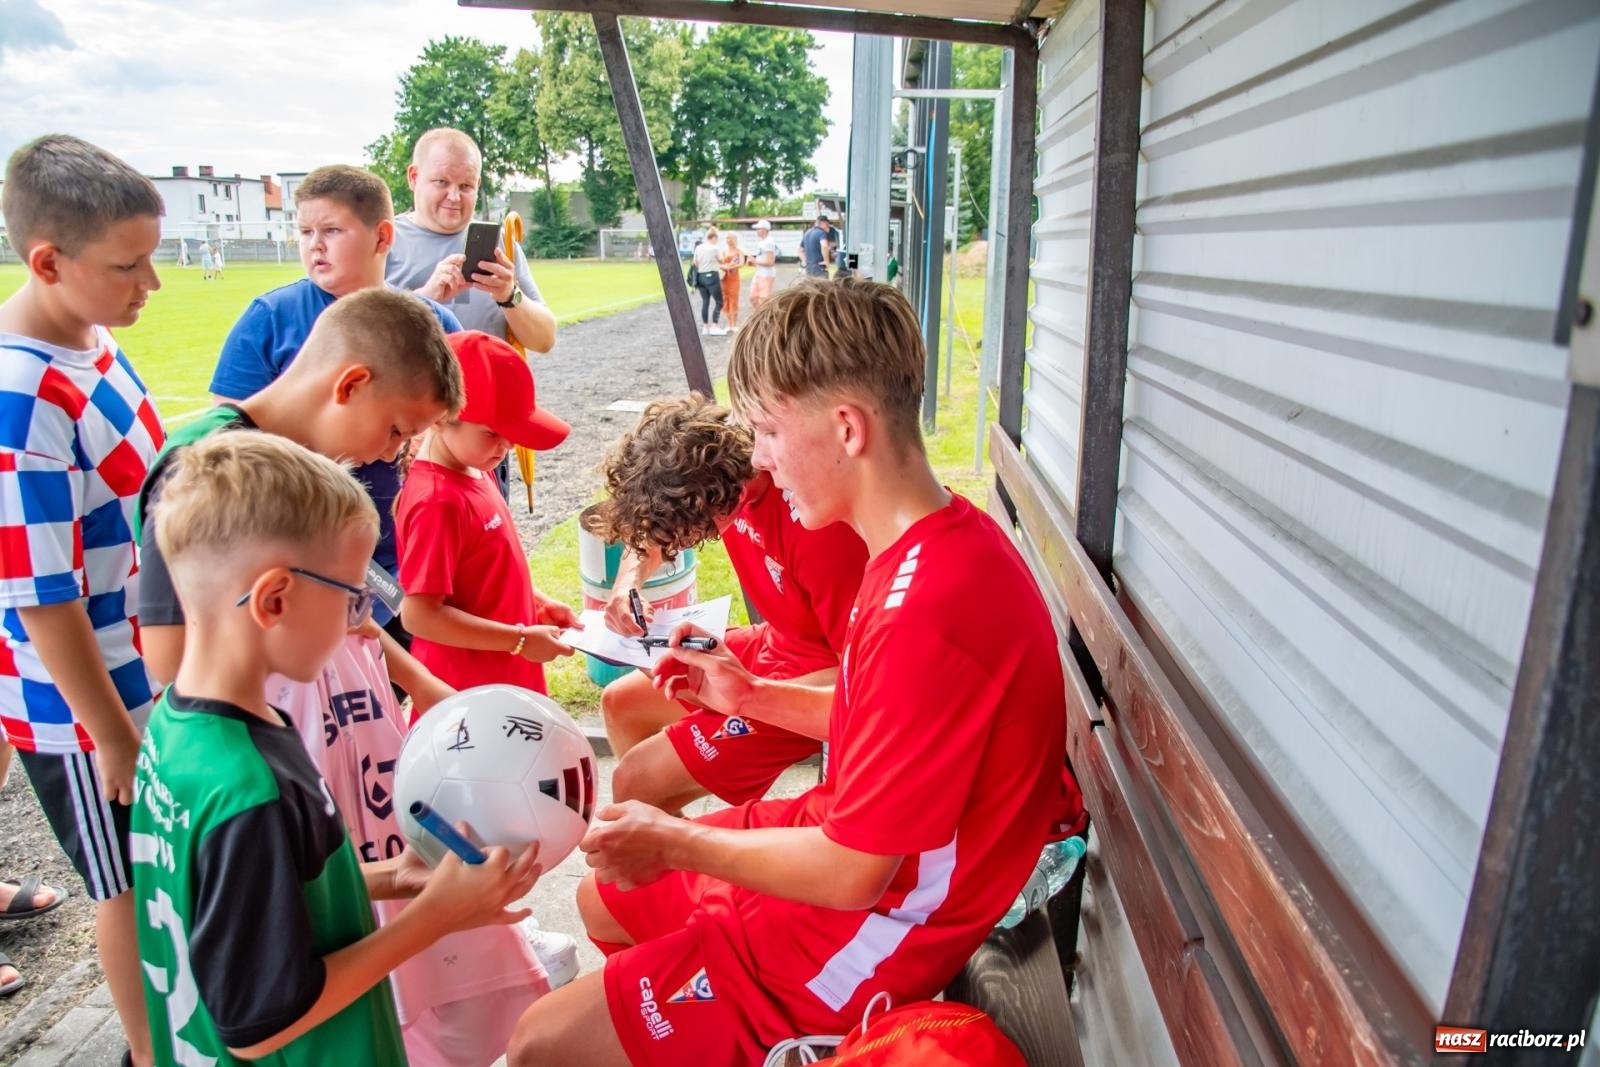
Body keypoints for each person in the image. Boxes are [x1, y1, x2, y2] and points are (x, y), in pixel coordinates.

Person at [506, 278, 1083, 1066]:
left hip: (874, 930)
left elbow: (853, 872)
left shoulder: (926, 609)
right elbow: (893, 722)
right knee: (602, 896)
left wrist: (676, 841)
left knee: (542, 1041)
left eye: (769, 430)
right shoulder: (930, 547)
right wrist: (750, 695)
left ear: (846, 428)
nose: (762, 460)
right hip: (851, 847)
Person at [131, 431, 541, 1066]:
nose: (363, 617)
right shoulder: (247, 788)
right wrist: (434, 916)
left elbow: (253, 902)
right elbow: (260, 1023)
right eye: (353, 596)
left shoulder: (176, 733)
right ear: (274, 599)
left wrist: (385, 880)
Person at [0, 133, 166, 1067]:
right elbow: (39, 596)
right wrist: (111, 734)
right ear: (49, 262)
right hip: (83, 709)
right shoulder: (20, 395)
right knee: (124, 888)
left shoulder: (91, 338)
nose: (151, 283)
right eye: (129, 265)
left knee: (155, 872)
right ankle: (146, 1052)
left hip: (138, 675)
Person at [207, 164, 463, 646]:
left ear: (381, 236)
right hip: (304, 558)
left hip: (408, 556)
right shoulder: (269, 318)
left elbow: (464, 434)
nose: (314, 245)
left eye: (331, 230)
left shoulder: (432, 322)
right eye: (304, 231)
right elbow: (230, 441)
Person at [593, 395, 866, 813]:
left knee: (634, 780)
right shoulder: (723, 481)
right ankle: (670, 845)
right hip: (776, 641)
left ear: (722, 503)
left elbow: (859, 677)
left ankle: (680, 844)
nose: (677, 546)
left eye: (683, 536)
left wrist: (750, 694)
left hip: (813, 678)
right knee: (620, 703)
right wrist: (626, 585)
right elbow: (652, 533)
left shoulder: (816, 528)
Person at [396, 331, 577, 695]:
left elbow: (484, 572)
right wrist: (521, 640)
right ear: (440, 416)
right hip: (469, 692)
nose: (507, 446)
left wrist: (536, 602)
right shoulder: (438, 502)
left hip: (504, 671)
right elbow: (419, 615)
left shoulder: (476, 465)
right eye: (493, 433)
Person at [385, 128, 558, 500]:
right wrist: (426, 298)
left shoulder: (500, 248)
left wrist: (509, 296)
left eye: (466, 186)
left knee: (486, 541)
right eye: (442, 182)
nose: (454, 196)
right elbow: (359, 344)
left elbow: (545, 338)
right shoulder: (386, 244)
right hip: (408, 442)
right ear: (413, 177)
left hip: (483, 439)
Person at [690, 227, 725, 335]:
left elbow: (694, 263)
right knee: (719, 302)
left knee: (705, 301)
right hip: (712, 276)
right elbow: (721, 260)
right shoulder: (715, 248)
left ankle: (705, 327)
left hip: (700, 277)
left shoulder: (698, 247)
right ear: (714, 237)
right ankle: (715, 325)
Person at [748, 219, 779, 309]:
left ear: (764, 230)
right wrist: (752, 262)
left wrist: (755, 261)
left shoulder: (769, 242)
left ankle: (764, 319)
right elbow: (761, 259)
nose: (757, 231)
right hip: (759, 273)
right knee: (753, 297)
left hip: (766, 275)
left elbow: (770, 262)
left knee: (763, 300)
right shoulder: (761, 242)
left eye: (758, 229)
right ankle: (758, 316)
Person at [719, 232, 746, 331]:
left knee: (734, 299)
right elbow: (720, 264)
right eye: (726, 238)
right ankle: (729, 324)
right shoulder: (723, 251)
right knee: (726, 299)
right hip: (725, 278)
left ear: (734, 239)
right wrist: (724, 267)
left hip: (734, 278)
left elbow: (741, 263)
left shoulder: (739, 251)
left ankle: (734, 324)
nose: (728, 240)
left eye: (729, 238)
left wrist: (730, 266)